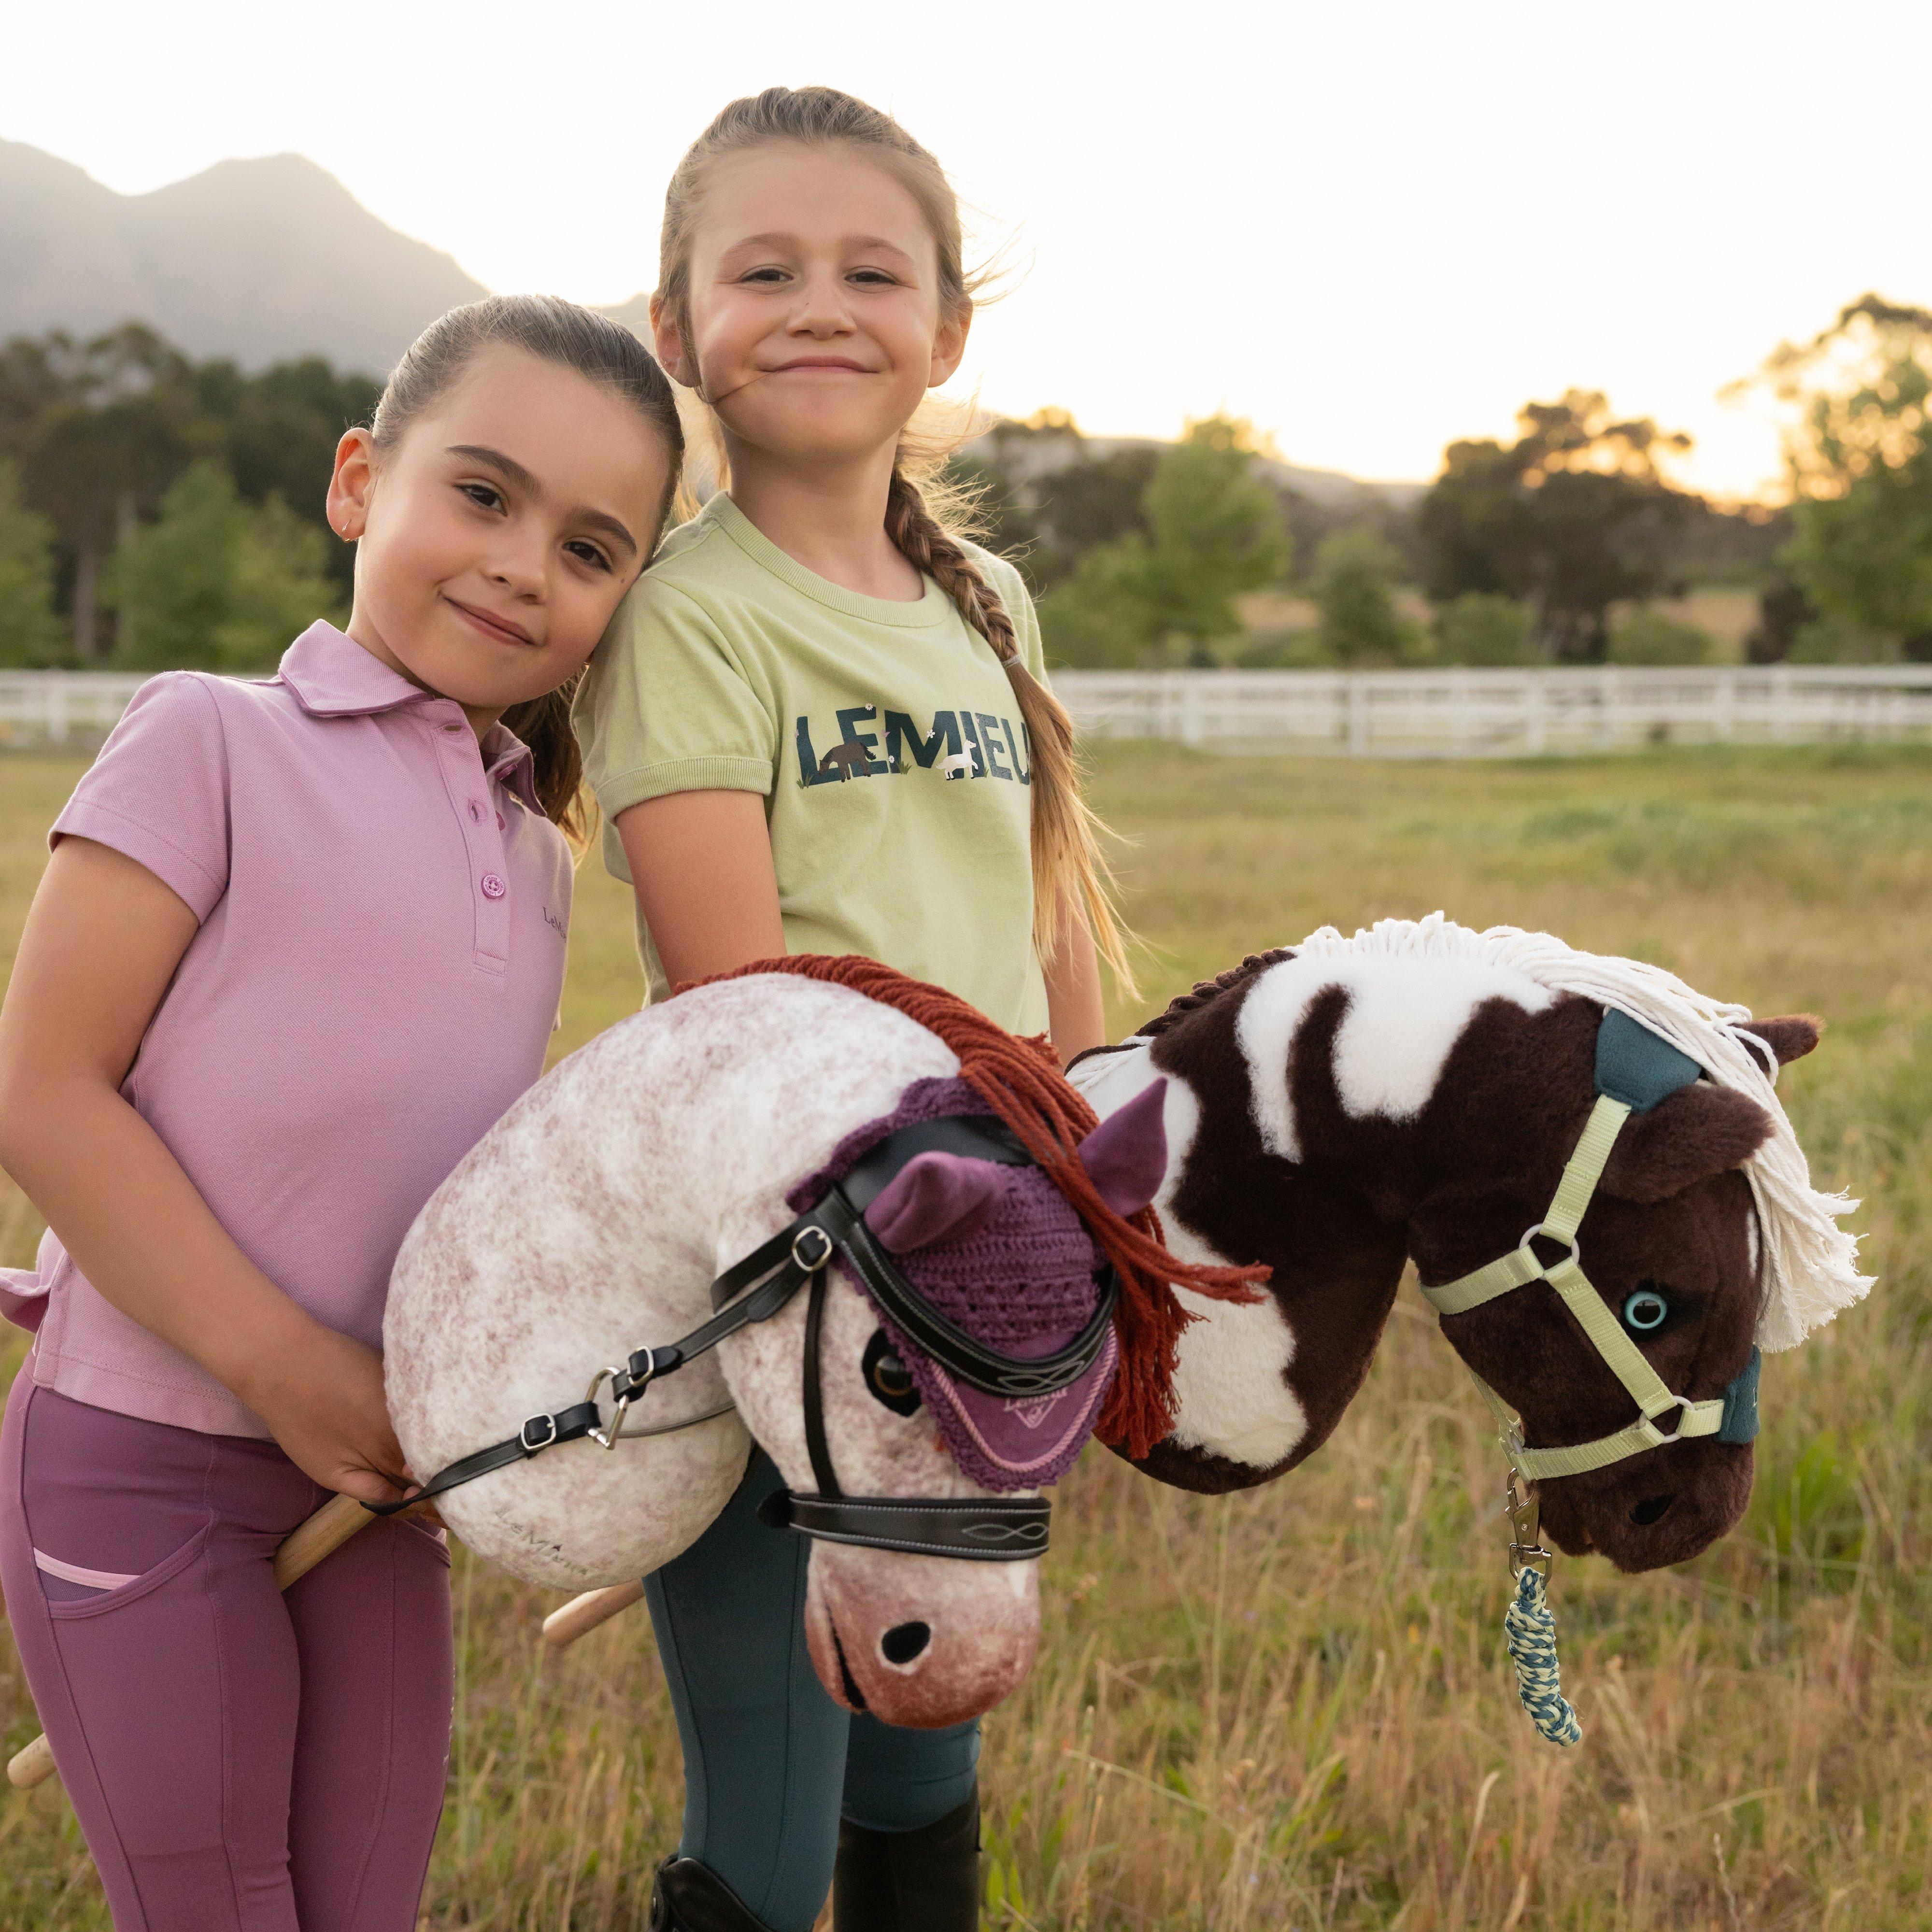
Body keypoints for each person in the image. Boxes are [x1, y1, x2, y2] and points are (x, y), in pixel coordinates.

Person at [0, 295, 683, 1932]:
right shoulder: (211, 739)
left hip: (367, 1489)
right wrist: (281, 1368)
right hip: (145, 1458)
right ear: (361, 480)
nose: (522, 566)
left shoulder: (537, 861)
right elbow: (40, 1088)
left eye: (590, 549)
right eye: (484, 494)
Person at [573, 87, 1131, 1932]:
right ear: (680, 332)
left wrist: (1089, 1180)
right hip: (795, 1279)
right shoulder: (691, 618)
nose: (821, 305)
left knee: (926, 1756)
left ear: (946, 331)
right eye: (766, 271)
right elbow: (751, 1013)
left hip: (984, 1270)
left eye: (871, 272)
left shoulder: (991, 603)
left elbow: (1044, 924)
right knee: (776, 1816)